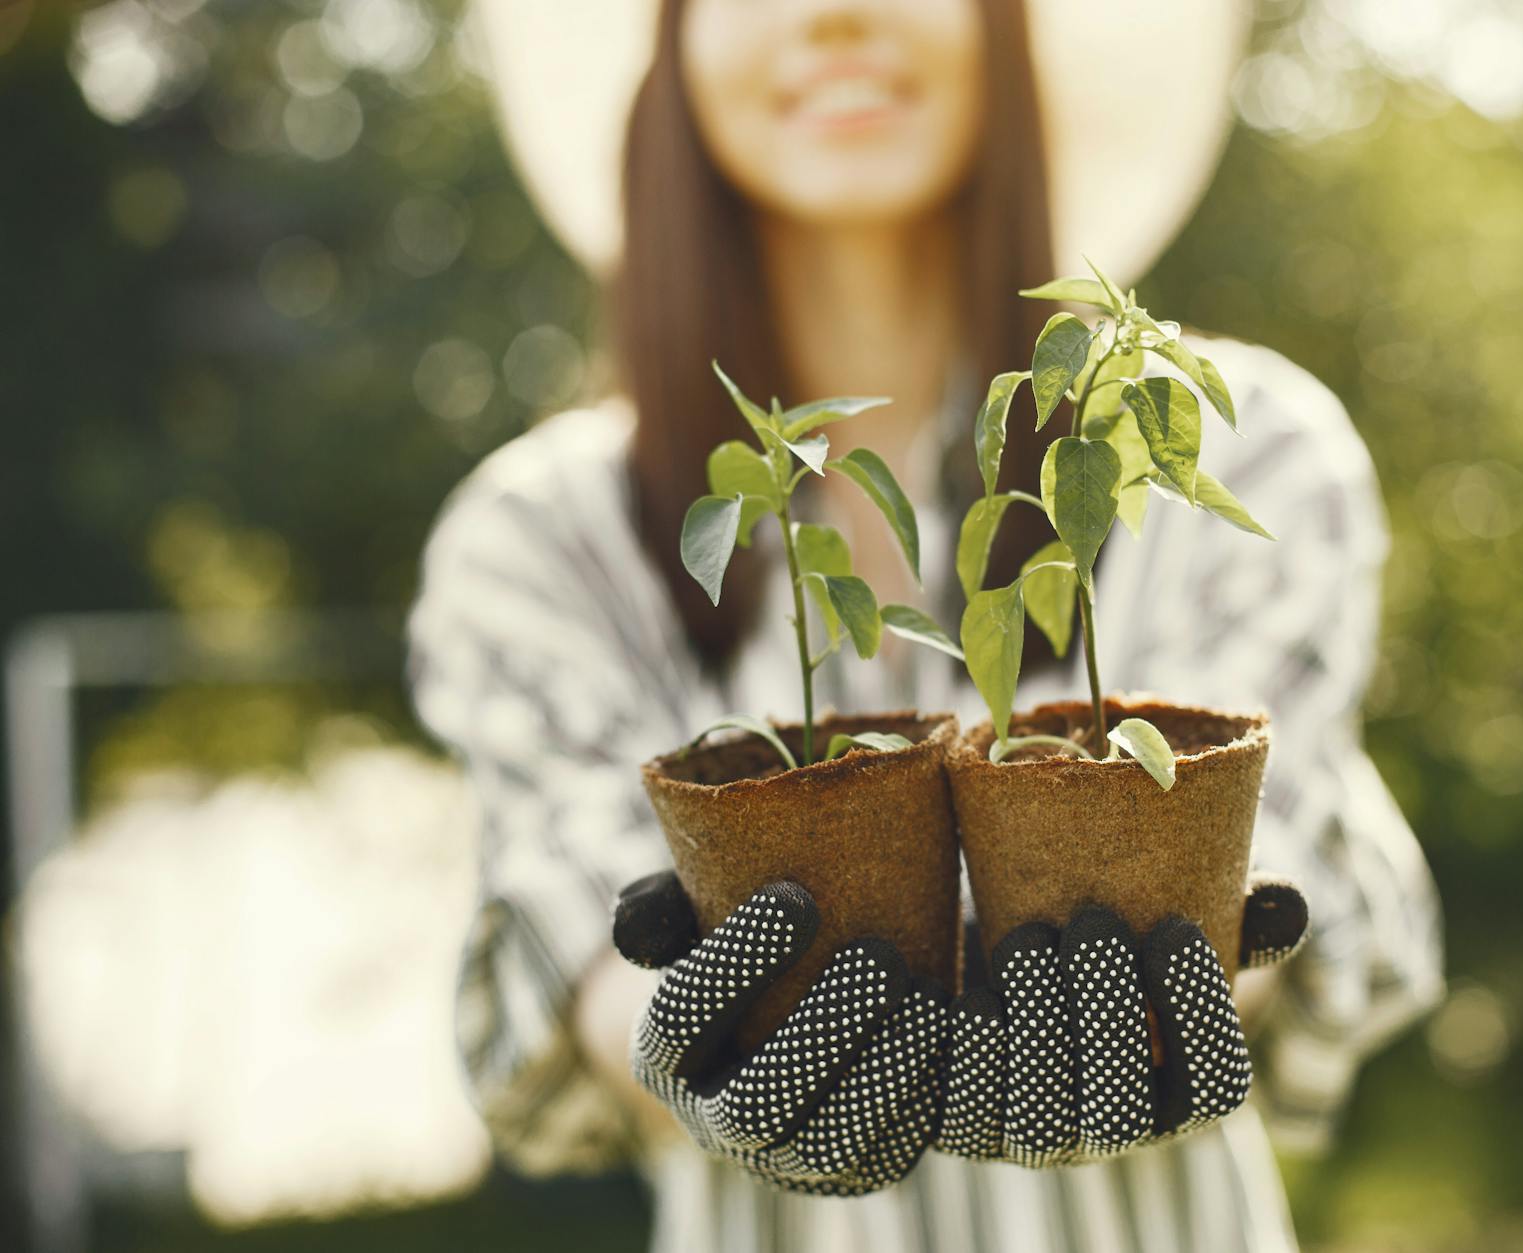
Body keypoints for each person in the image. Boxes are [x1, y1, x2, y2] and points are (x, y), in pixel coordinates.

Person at [405, 0, 1445, 1248]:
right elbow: (581, 947)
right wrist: (705, 1046)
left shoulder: (1238, 455)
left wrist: (1202, 975)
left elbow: (1261, 869)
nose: (834, 14)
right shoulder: (543, 538)